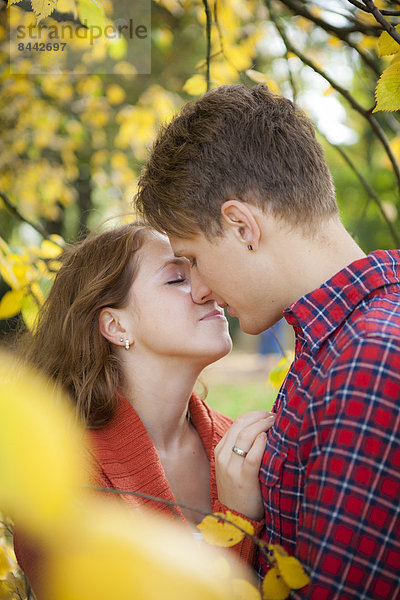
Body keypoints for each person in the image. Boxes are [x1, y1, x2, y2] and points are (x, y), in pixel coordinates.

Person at [134, 84, 400, 599]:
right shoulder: (337, 346)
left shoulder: (367, 363)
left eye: (191, 259)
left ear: (241, 226)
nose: (200, 290)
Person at [13, 221, 276, 595]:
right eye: (176, 279)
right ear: (116, 326)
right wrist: (236, 522)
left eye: (200, 271)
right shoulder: (59, 475)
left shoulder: (245, 447)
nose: (207, 290)